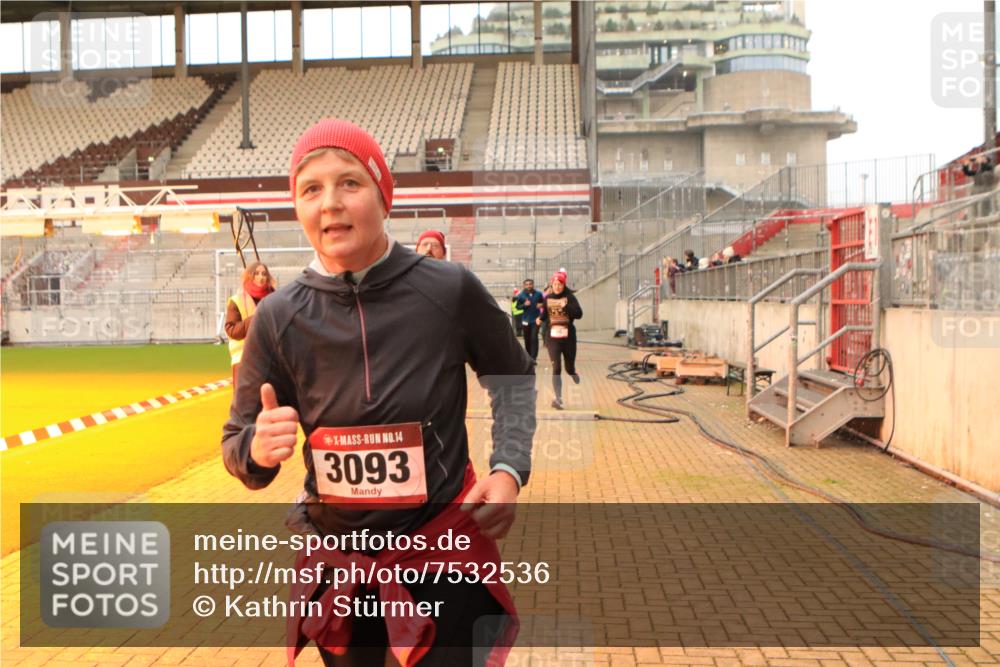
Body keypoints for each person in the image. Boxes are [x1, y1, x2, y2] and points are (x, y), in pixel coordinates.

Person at [221, 118, 535, 667]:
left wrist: (507, 469)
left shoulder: (449, 289)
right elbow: (238, 442)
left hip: (443, 555)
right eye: (310, 189)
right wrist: (254, 448)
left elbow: (513, 379)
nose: (330, 204)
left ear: (384, 195)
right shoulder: (276, 317)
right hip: (340, 574)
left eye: (349, 183)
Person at [536, 270, 583, 410]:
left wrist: (566, 306)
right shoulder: (548, 298)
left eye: (559, 284)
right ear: (552, 284)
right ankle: (558, 399)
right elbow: (545, 314)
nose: (557, 287)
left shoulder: (570, 297)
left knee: (568, 368)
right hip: (553, 337)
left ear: (564, 285)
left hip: (568, 337)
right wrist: (540, 319)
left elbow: (579, 314)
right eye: (555, 284)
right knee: (556, 368)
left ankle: (573, 372)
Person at [224, 261, 276, 385]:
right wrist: (255, 318)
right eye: (256, 273)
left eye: (264, 274)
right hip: (243, 360)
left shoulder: (275, 298)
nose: (261, 277)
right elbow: (232, 330)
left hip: (270, 360)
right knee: (245, 402)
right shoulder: (237, 301)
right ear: (249, 276)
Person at [513, 278, 544, 360]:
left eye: (530, 284)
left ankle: (534, 358)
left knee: (534, 338)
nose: (528, 286)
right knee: (527, 339)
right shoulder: (521, 295)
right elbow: (517, 307)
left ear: (533, 285)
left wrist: (541, 305)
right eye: (526, 284)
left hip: (536, 320)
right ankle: (529, 356)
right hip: (525, 321)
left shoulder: (538, 294)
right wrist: (524, 305)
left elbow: (543, 302)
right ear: (524, 286)